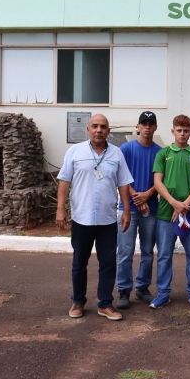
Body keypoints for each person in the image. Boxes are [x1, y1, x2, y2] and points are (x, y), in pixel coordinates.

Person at [56, 114, 133, 321]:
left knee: (108, 263)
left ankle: (105, 304)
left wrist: (126, 210)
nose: (99, 130)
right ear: (88, 129)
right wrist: (60, 209)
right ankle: (78, 301)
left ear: (108, 131)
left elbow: (123, 183)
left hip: (107, 219)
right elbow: (64, 181)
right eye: (95, 126)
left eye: (103, 127)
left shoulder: (116, 154)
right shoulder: (75, 152)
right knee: (79, 263)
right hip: (82, 218)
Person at [150, 115, 190, 309]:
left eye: (186, 130)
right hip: (166, 213)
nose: (182, 134)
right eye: (179, 130)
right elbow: (158, 182)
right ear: (173, 131)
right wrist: (174, 203)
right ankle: (163, 293)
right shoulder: (163, 154)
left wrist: (184, 206)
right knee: (164, 255)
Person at [116, 111, 162, 309]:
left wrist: (147, 195)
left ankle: (142, 288)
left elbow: (162, 180)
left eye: (151, 124)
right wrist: (137, 196)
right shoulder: (126, 149)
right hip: (127, 209)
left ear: (155, 127)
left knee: (147, 252)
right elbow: (121, 177)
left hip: (150, 209)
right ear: (138, 126)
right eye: (144, 123)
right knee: (125, 252)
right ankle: (124, 290)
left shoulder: (161, 152)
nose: (147, 127)